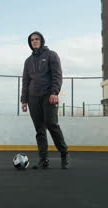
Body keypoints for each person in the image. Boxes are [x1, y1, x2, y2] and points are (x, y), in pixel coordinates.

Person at [21, 31, 71, 169]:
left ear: (42, 40)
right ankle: (43, 159)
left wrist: (55, 92)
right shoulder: (28, 61)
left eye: (37, 39)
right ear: (30, 43)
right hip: (33, 98)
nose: (34, 41)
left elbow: (57, 75)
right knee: (39, 129)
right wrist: (24, 100)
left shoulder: (51, 55)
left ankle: (64, 154)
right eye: (32, 40)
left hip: (49, 96)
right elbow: (25, 81)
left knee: (51, 124)